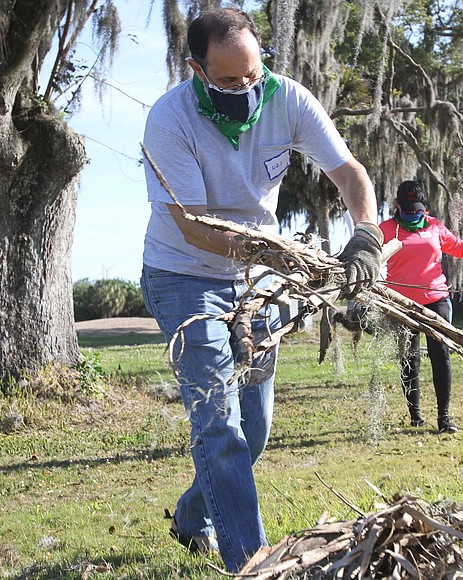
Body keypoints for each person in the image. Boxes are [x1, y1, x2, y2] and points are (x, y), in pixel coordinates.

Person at [139, 8, 382, 572]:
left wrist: (366, 235)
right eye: (228, 80)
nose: (247, 88)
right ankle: (252, 561)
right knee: (218, 420)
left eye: (253, 74)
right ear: (195, 68)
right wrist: (285, 255)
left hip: (260, 283)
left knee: (254, 429)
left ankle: (192, 516)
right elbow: (195, 226)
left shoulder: (288, 99)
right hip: (184, 276)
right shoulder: (169, 120)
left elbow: (350, 174)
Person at [380, 180, 463, 434]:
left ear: (424, 206)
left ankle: (444, 417)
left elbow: (458, 249)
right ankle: (415, 415)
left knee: (441, 355)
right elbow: (370, 253)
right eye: (409, 209)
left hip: (436, 298)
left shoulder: (434, 226)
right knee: (409, 359)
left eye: (418, 209)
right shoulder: (385, 229)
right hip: (402, 302)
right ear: (397, 206)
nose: (414, 213)